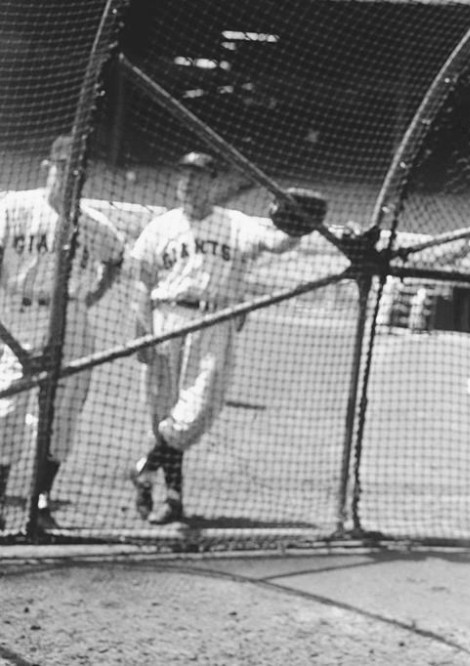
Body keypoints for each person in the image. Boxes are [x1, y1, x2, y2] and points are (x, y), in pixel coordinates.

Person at [127, 152, 305, 525]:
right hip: (167, 319)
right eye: (185, 176)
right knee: (164, 414)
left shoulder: (236, 224)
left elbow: (277, 244)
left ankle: (144, 468)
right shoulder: (160, 227)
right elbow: (142, 284)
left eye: (198, 177)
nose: (189, 183)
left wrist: (299, 226)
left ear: (212, 182)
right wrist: (141, 331)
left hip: (213, 321)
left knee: (197, 410)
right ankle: (172, 499)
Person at [0, 134, 125, 531]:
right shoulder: (13, 207)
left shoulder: (94, 225)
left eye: (77, 170)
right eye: (62, 166)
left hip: (70, 317)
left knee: (63, 412)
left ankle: (40, 501)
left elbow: (116, 259)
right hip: (18, 315)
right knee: (6, 411)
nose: (69, 175)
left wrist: (89, 298)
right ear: (47, 167)